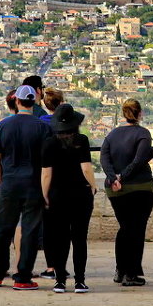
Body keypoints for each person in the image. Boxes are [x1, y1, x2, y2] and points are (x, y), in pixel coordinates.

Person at [0, 84, 52, 290]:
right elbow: (46, 163)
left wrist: (1, 181)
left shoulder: (2, 126)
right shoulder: (43, 127)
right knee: (30, 231)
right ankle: (23, 276)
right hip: (33, 184)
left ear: (16, 101)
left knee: (3, 229)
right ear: (35, 101)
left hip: (10, 183)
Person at [41, 103, 97, 293]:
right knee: (79, 238)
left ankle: (60, 281)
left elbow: (46, 174)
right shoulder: (81, 140)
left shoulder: (49, 143)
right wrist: (94, 185)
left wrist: (45, 195)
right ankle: (80, 281)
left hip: (58, 194)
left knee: (60, 238)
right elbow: (86, 168)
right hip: (80, 193)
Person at [101, 98, 153, 287]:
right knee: (137, 230)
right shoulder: (143, 134)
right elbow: (139, 160)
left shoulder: (112, 135)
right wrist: (123, 176)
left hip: (116, 190)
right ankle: (132, 272)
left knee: (124, 228)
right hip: (140, 187)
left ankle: (120, 269)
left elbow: (104, 159)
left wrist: (114, 178)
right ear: (139, 113)